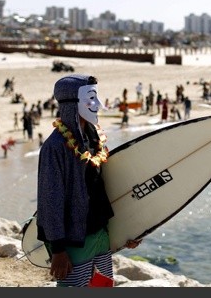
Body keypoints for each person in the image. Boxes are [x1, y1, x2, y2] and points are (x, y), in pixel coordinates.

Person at [35, 74, 141, 287]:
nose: (99, 105)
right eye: (91, 99)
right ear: (71, 104)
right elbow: (50, 200)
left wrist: (127, 230)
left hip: (100, 233)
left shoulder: (95, 140)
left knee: (102, 287)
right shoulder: (55, 147)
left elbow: (109, 186)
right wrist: (58, 250)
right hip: (75, 240)